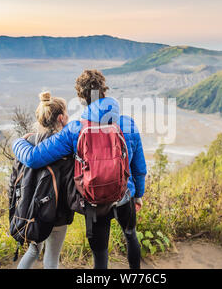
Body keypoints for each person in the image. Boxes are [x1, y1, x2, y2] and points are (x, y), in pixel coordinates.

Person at [12, 69, 147, 269]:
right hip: (125, 195)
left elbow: (34, 158)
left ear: (81, 97)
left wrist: (17, 143)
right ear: (104, 90)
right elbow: (139, 167)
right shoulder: (127, 124)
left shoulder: (75, 129)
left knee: (100, 254)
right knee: (131, 236)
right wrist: (138, 194)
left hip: (94, 202)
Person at [17, 91, 74, 269]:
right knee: (51, 258)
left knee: (33, 251)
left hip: (33, 210)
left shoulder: (30, 142)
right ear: (61, 118)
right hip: (58, 212)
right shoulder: (65, 146)